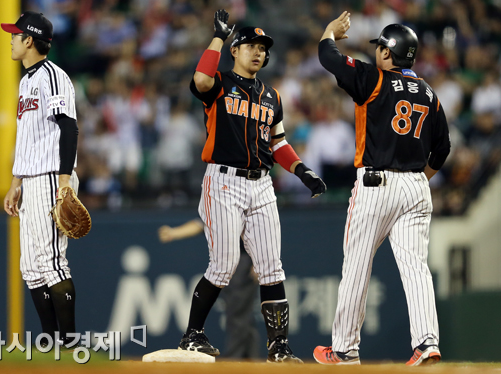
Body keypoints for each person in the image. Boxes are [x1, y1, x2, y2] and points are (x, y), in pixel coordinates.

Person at [178, 9, 326, 363]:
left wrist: (302, 170)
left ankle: (279, 347)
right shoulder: (220, 83)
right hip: (224, 181)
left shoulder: (271, 96)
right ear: (235, 50)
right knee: (223, 265)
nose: (258, 52)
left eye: (263, 47)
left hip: (261, 186)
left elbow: (277, 143)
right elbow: (199, 80)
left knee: (271, 267)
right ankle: (192, 335)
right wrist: (218, 36)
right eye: (250, 45)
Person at [313, 12, 451, 366]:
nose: (377, 53)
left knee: (358, 265)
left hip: (377, 184)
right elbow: (443, 149)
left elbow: (328, 57)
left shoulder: (373, 79)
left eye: (380, 48)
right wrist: (420, 178)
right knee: (416, 267)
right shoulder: (430, 94)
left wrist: (329, 32)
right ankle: (427, 342)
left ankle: (344, 349)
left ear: (389, 53)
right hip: (417, 186)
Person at [2, 11, 80, 348]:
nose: (11, 39)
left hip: (51, 175)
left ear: (29, 40)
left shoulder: (53, 77)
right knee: (31, 268)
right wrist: (16, 182)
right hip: (30, 179)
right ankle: (52, 345)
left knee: (51, 263)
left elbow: (69, 126)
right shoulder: (25, 81)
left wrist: (64, 181)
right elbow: (26, 137)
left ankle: (69, 343)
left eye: (15, 35)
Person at [159, 219, 260, 359]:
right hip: (228, 262)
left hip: (243, 261)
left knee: (238, 314)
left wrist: (258, 260)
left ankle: (235, 358)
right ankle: (248, 358)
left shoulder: (243, 202)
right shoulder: (220, 204)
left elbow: (262, 230)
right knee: (239, 314)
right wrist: (174, 233)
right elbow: (201, 224)